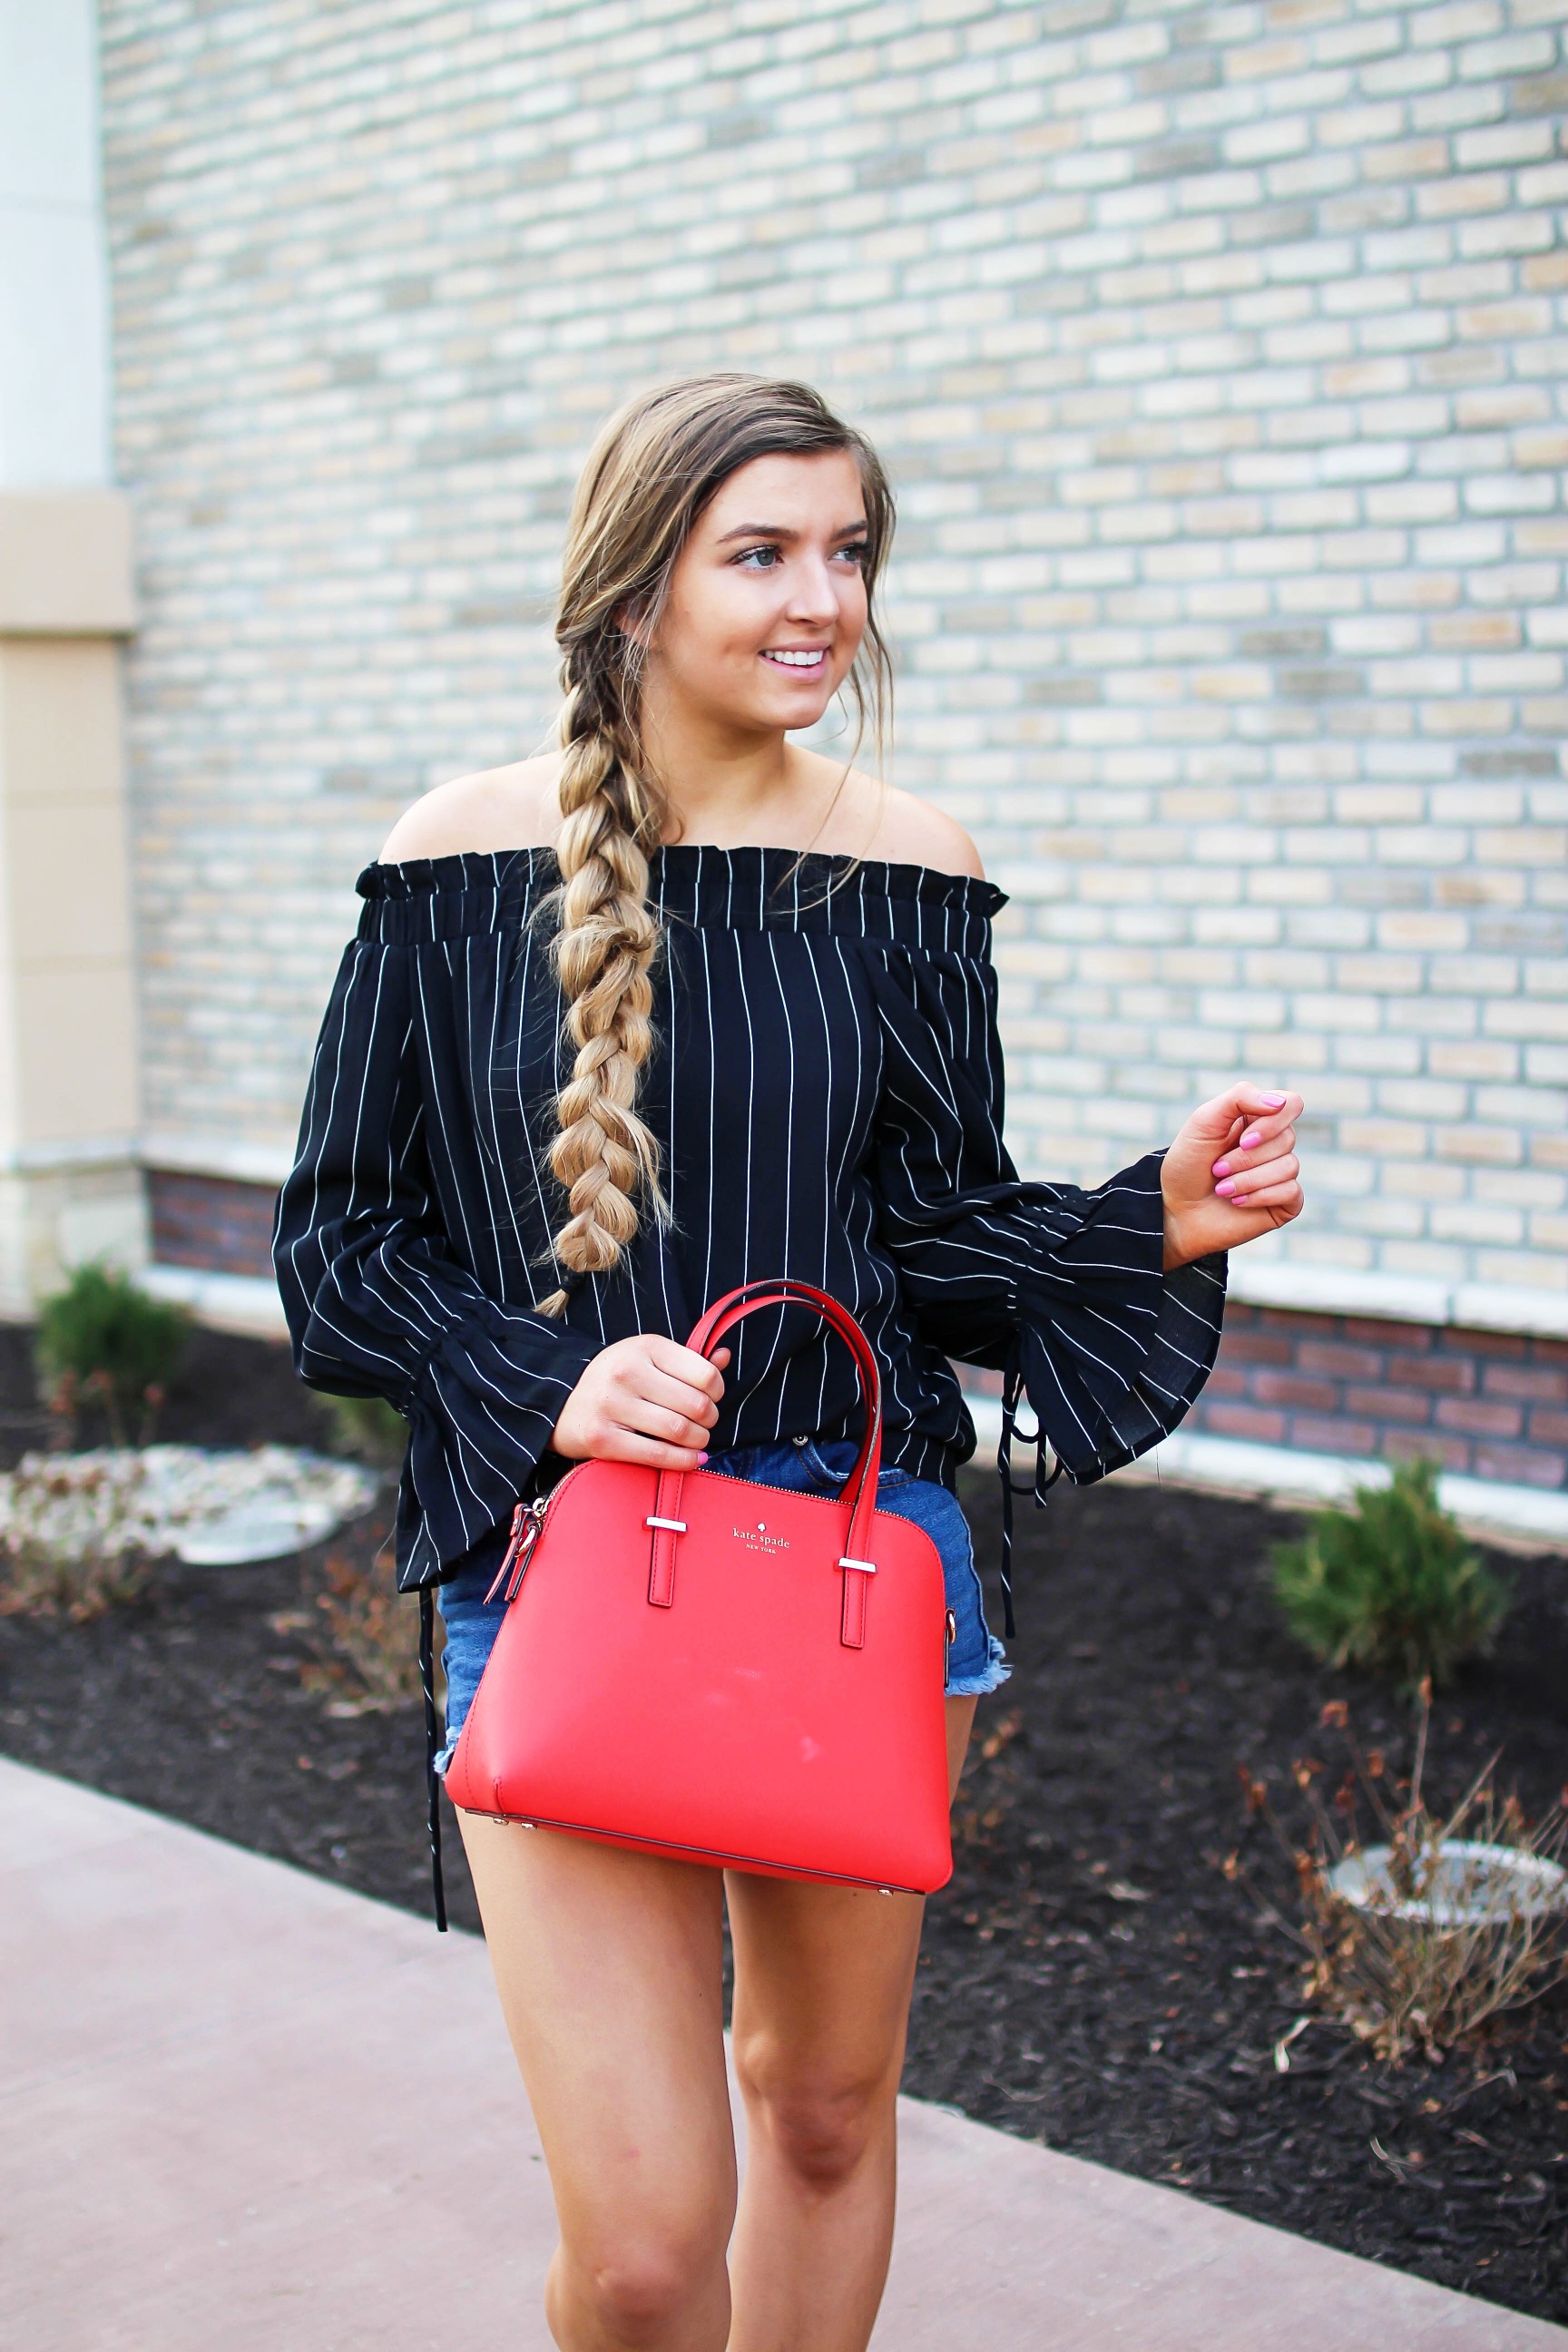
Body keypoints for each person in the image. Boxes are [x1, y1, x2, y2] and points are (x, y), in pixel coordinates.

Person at [273, 373, 1304, 2352]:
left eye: (849, 552)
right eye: (762, 553)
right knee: (651, 2246)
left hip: (856, 1566)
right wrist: (542, 1383)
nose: (821, 599)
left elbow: (930, 1238)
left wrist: (1145, 1217)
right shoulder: (454, 862)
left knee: (824, 2115)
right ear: (636, 589)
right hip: (560, 1574)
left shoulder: (907, 863)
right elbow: (334, 1250)